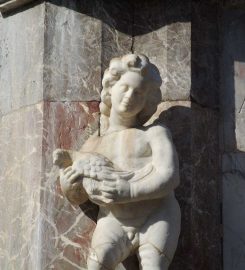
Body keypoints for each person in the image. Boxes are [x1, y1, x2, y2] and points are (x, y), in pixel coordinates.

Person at [55, 54, 181, 270]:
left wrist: (129, 190)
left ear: (147, 101)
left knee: (154, 265)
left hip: (157, 214)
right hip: (115, 219)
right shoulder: (92, 145)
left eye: (139, 93)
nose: (130, 96)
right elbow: (80, 194)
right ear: (110, 89)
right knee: (96, 264)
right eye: (125, 88)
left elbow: (169, 175)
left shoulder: (155, 133)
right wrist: (69, 185)